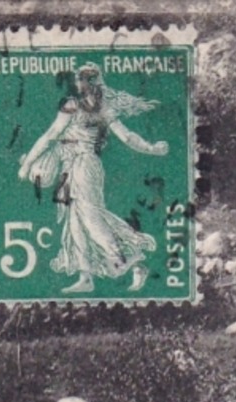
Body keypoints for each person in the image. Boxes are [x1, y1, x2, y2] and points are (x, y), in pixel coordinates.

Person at [17, 64, 169, 294]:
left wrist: (152, 148)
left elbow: (52, 136)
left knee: (90, 217)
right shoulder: (84, 106)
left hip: (84, 165)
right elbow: (53, 137)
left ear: (90, 83)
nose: (78, 83)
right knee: (74, 220)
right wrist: (152, 148)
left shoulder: (86, 107)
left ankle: (132, 263)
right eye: (78, 79)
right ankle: (85, 276)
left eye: (81, 79)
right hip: (69, 166)